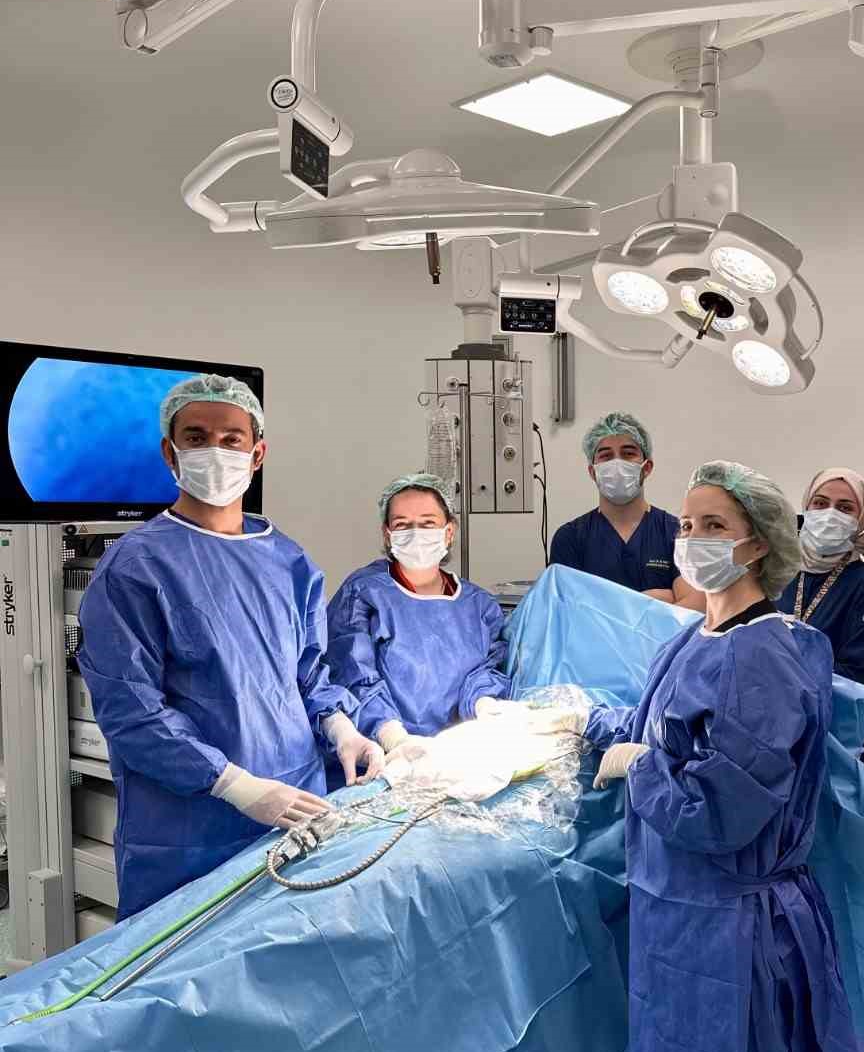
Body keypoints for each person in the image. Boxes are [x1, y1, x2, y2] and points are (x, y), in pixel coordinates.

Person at [587, 461, 862, 1052]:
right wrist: (587, 729)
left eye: (714, 525)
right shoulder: (697, 635)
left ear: (757, 543)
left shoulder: (766, 651)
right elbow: (655, 731)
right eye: (688, 523)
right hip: (674, 915)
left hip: (736, 923)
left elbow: (721, 810)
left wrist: (640, 773)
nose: (692, 539)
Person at [78, 373, 383, 919]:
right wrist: (234, 785)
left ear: (256, 453)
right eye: (196, 438)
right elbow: (131, 710)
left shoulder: (288, 561)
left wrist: (343, 730)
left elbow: (308, 675)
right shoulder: (135, 566)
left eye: (231, 439)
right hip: (189, 826)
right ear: (170, 452)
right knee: (184, 961)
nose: (214, 451)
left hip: (297, 804)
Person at [326, 473, 510, 761]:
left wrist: (484, 705)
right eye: (402, 524)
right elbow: (351, 673)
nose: (416, 534)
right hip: (381, 756)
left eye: (427, 523)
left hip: (461, 756)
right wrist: (391, 736)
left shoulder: (479, 606)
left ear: (449, 532)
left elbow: (488, 670)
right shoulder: (364, 594)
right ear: (388, 534)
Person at [549, 411, 704, 608]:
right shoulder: (571, 538)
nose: (617, 463)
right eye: (606, 456)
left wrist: (601, 604)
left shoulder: (675, 532)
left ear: (646, 467)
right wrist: (653, 601)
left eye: (628, 454)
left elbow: (694, 607)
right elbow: (566, 610)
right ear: (593, 472)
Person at [775, 468, 864, 684]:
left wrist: (785, 671)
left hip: (824, 701)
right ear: (806, 506)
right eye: (820, 503)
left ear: (861, 517)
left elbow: (858, 671)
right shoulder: (779, 568)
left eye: (845, 508)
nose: (829, 514)